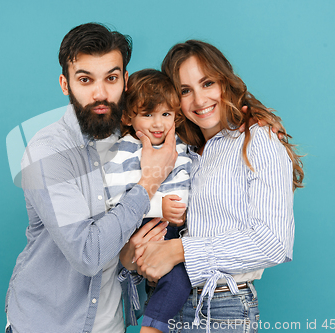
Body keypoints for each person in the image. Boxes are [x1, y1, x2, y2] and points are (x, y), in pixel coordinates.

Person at [4, 23, 177, 333]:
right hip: (49, 325)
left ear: (125, 80)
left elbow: (197, 122)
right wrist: (149, 181)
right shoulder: (47, 152)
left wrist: (254, 125)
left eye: (111, 78)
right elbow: (88, 255)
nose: (100, 93)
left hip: (112, 324)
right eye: (85, 80)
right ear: (65, 84)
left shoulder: (136, 137)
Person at [130, 40, 304, 333]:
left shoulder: (257, 139)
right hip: (163, 303)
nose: (199, 100)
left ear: (225, 82)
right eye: (185, 91)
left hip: (221, 308)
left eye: (207, 83)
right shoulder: (181, 151)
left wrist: (179, 250)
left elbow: (274, 243)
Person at [103, 69, 193, 333]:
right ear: (128, 117)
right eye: (148, 114)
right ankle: (151, 328)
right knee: (177, 280)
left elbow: (188, 179)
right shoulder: (124, 149)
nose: (158, 124)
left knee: (180, 279)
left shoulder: (179, 144)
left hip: (176, 228)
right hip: (144, 225)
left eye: (166, 114)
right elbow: (116, 198)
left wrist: (184, 211)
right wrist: (160, 206)